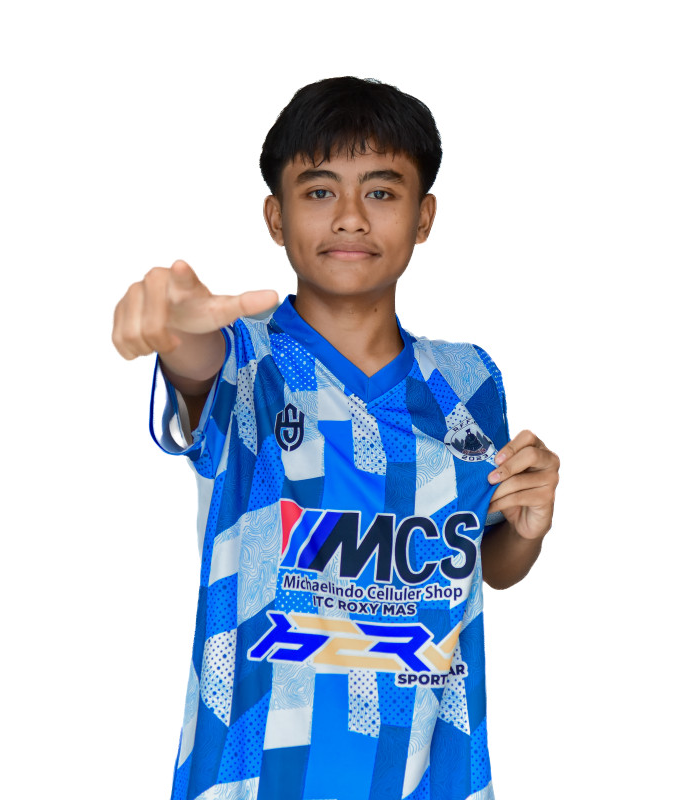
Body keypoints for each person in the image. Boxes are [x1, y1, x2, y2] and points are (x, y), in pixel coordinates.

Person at [112, 76, 560, 800]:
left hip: (427, 774)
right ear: (276, 216)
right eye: (320, 191)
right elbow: (195, 363)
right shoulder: (246, 359)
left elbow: (493, 563)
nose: (350, 218)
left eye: (381, 191)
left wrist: (530, 527)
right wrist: (170, 328)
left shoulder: (469, 380)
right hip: (258, 778)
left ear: (424, 216)